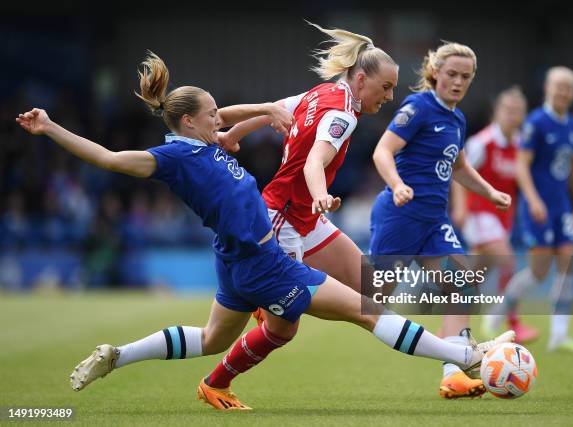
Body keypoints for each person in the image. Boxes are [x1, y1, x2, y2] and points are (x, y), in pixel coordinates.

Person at [16, 52, 514, 411]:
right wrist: (51, 128)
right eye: (213, 114)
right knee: (356, 313)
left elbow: (248, 116)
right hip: (269, 252)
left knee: (219, 337)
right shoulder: (175, 157)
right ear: (190, 123)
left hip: (253, 249)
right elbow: (107, 158)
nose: (223, 119)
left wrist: (253, 118)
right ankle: (463, 357)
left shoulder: (208, 143)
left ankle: (129, 358)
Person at [368, 42, 513, 399]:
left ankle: (453, 373)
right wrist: (398, 184)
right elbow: (382, 151)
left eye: (465, 76)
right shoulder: (418, 107)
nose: (458, 81)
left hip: (433, 222)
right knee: (367, 301)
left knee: (463, 283)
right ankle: (292, 293)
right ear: (436, 73)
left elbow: (459, 166)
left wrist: (489, 192)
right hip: (400, 218)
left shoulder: (457, 118)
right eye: (451, 74)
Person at [220, 22, 398, 301]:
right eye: (386, 87)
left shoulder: (322, 93)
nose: (390, 96)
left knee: (373, 287)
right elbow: (313, 161)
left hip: (307, 218)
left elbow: (274, 110)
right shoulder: (344, 114)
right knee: (281, 327)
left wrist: (233, 133)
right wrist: (321, 196)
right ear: (361, 80)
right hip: (284, 218)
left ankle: (456, 343)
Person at [486, 66, 573, 353]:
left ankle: (559, 333)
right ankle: (498, 312)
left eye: (568, 87)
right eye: (559, 86)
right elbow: (521, 165)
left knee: (568, 262)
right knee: (539, 272)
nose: (563, 92)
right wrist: (532, 200)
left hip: (563, 207)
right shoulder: (536, 122)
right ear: (547, 88)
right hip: (539, 208)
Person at [449, 86, 539, 343]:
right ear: (497, 112)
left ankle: (449, 323)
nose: (513, 115)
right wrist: (461, 207)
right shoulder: (482, 142)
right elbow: (459, 173)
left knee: (475, 274)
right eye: (508, 110)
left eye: (518, 111)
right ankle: (509, 322)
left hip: (502, 217)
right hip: (479, 213)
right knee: (507, 260)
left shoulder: (521, 144)